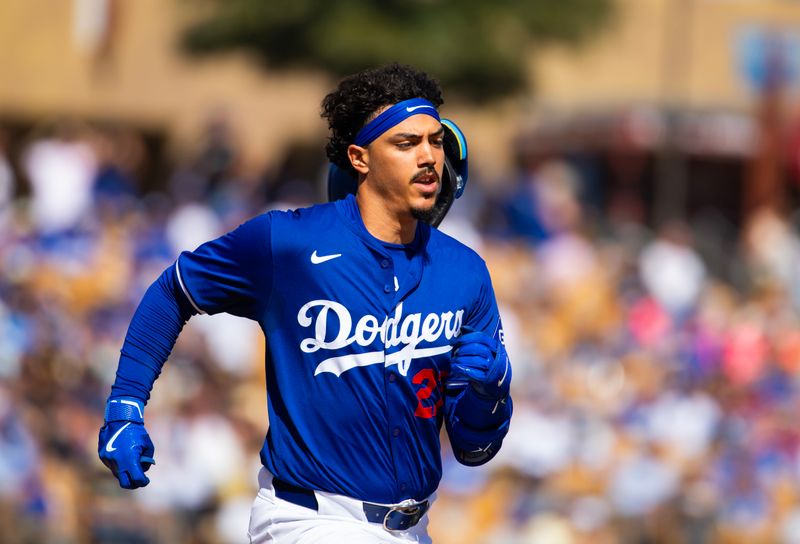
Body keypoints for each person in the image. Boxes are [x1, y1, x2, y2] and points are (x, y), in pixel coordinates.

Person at [98, 63, 513, 543]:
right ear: (360, 158)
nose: (429, 157)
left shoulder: (465, 272)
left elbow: (473, 449)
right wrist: (125, 404)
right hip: (308, 520)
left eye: (435, 141)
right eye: (406, 143)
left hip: (413, 529)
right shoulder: (288, 242)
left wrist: (490, 396)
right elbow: (174, 291)